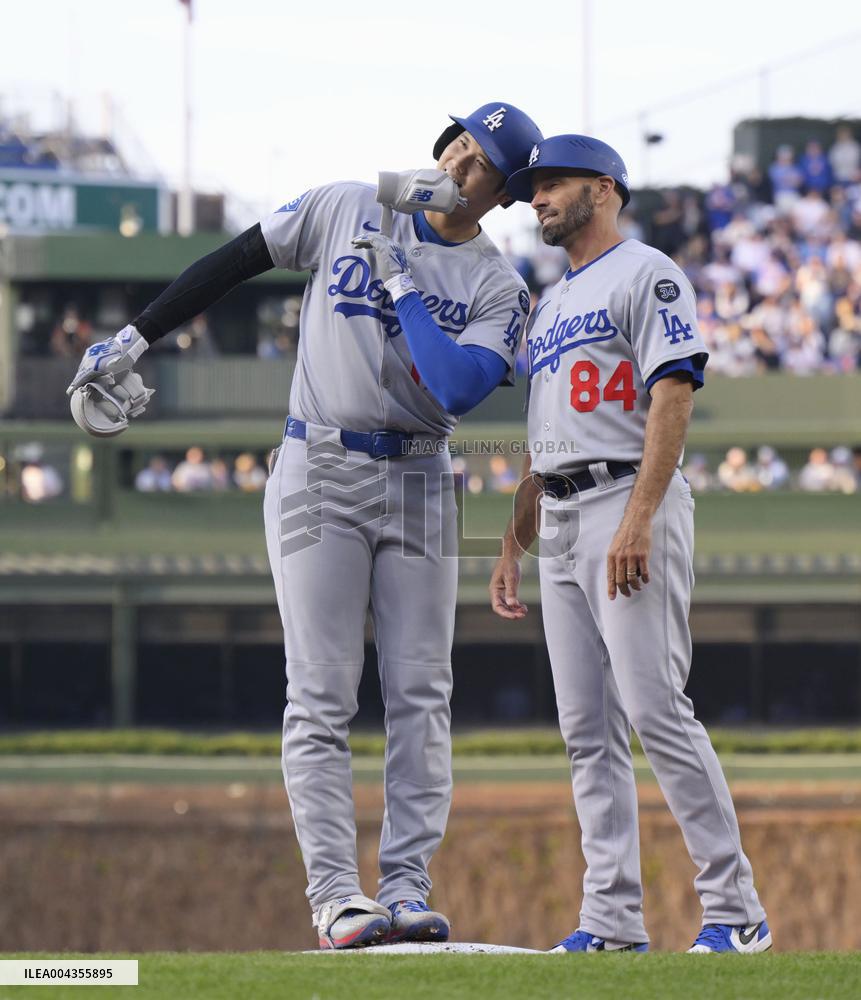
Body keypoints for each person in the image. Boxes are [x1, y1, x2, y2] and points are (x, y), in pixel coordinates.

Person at [66, 102, 543, 950]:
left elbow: (458, 391)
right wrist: (135, 337)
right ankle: (335, 897)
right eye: (458, 143)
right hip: (317, 461)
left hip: (424, 474)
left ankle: (404, 888)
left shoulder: (498, 285)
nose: (459, 162)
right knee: (320, 692)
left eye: (481, 164)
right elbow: (238, 259)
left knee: (421, 692)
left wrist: (398, 278)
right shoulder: (347, 203)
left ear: (502, 194)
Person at [489, 134, 770, 954]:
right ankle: (610, 923)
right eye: (532, 187)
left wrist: (640, 515)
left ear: (603, 188)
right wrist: (513, 540)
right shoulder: (549, 301)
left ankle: (735, 911)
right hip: (562, 511)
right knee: (586, 729)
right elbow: (548, 437)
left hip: (624, 496)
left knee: (654, 710)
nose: (537, 198)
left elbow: (672, 390)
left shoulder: (646, 270)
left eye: (552, 183)